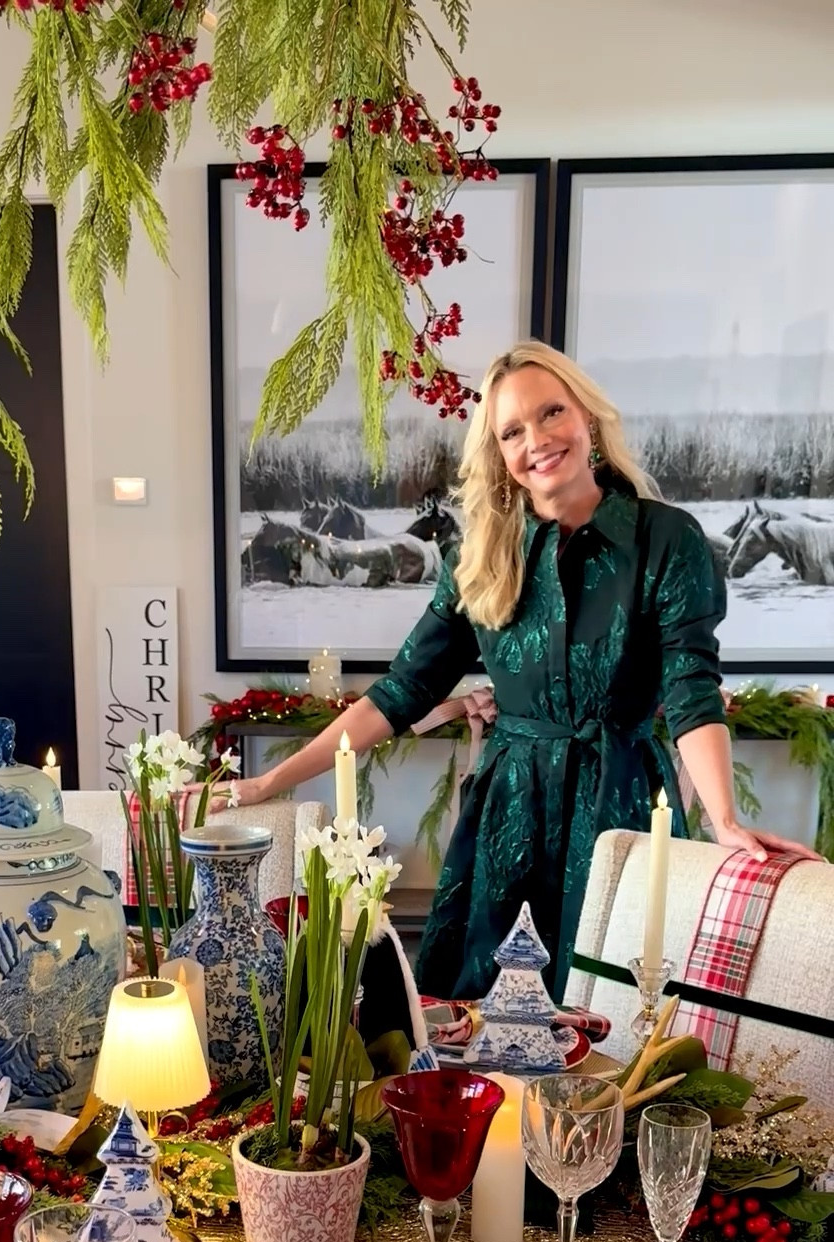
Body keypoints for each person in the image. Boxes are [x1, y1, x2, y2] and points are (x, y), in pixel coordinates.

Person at [222, 341, 821, 1001]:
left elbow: (691, 694)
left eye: (551, 413)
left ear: (587, 417)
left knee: (620, 1012)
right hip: (509, 818)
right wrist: (271, 780)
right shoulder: (479, 556)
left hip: (619, 808)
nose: (536, 439)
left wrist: (727, 820)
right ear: (499, 454)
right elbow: (401, 692)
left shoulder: (667, 541)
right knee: (486, 1019)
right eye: (512, 431)